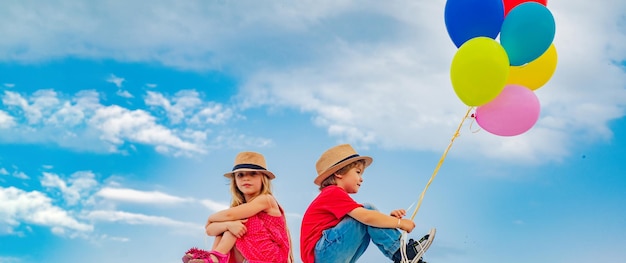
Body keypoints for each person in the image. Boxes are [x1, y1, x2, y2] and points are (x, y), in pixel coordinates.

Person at [300, 144, 436, 263]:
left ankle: (403, 256)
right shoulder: (333, 192)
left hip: (326, 255)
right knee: (367, 210)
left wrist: (388, 221)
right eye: (358, 172)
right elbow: (366, 217)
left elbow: (366, 222)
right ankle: (402, 254)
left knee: (369, 218)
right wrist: (400, 223)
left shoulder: (334, 198)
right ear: (339, 173)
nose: (361, 179)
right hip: (322, 253)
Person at [183, 151, 293, 263]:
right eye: (240, 175)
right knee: (231, 225)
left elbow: (229, 215)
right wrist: (228, 225)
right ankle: (214, 257)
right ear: (235, 181)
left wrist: (211, 218)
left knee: (239, 219)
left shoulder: (266, 199)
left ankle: (215, 258)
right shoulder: (240, 209)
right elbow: (210, 230)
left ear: (263, 178)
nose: (246, 178)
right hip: (252, 257)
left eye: (253, 174)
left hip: (273, 257)